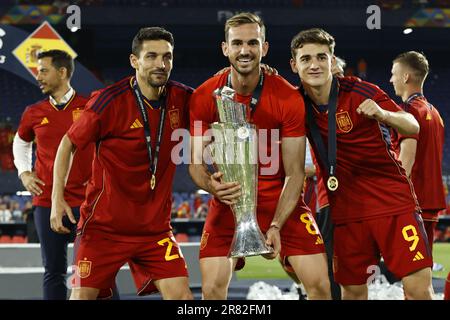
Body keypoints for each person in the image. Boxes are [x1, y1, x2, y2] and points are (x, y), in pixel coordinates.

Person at [189, 13, 330, 300]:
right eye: (237, 43)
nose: (245, 50)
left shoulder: (287, 97)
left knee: (320, 286)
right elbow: (195, 163)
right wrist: (211, 185)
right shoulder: (205, 95)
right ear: (225, 48)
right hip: (229, 199)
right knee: (212, 289)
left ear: (264, 48)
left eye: (253, 42)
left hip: (280, 202)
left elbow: (294, 173)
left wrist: (277, 223)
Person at [50, 27, 193, 300]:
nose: (161, 64)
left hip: (155, 230)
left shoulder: (183, 98)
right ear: (134, 61)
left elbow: (219, 98)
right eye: (151, 56)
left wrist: (261, 76)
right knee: (81, 297)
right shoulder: (109, 101)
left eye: (167, 57)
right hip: (104, 229)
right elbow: (67, 144)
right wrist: (57, 199)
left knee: (183, 298)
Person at [290, 28, 433, 300]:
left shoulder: (360, 91)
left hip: (391, 203)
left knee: (417, 290)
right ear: (294, 65)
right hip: (346, 212)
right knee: (352, 292)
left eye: (322, 57)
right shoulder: (294, 102)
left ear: (332, 62)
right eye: (306, 58)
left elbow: (412, 125)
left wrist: (383, 114)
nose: (315, 64)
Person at [12, 49, 94, 300]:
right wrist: (24, 172)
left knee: (93, 272)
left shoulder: (89, 106)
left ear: (62, 72)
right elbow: (20, 141)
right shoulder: (34, 112)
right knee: (54, 271)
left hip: (88, 202)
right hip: (47, 201)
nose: (38, 76)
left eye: (43, 71)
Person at [389, 51, 446, 251]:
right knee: (423, 264)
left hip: (412, 200)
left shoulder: (407, 112)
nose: (391, 79)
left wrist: (392, 197)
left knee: (411, 267)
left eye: (394, 73)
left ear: (406, 77)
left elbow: (407, 159)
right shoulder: (435, 112)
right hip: (431, 199)